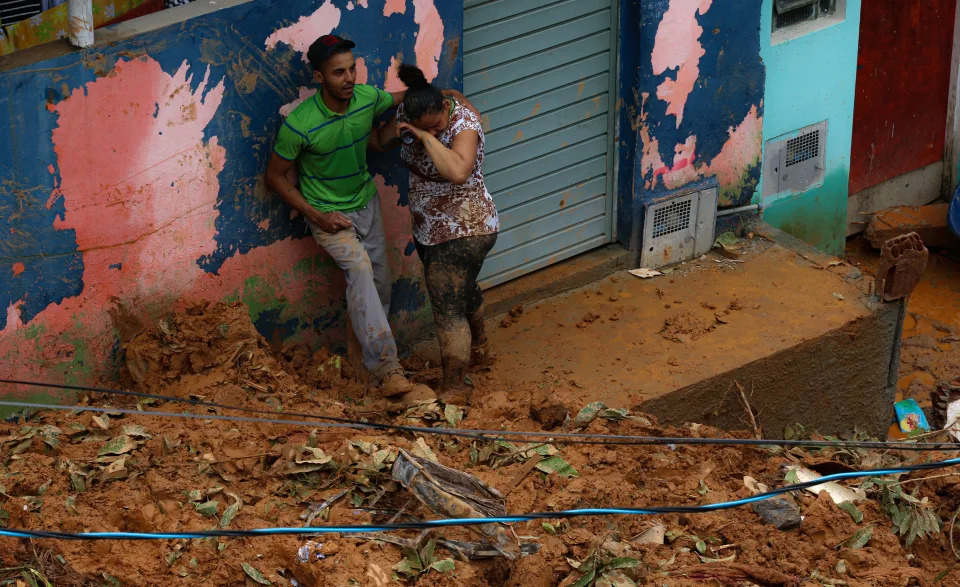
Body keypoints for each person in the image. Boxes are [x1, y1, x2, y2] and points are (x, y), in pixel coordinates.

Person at [265, 36, 468, 404]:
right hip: (328, 213)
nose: (348, 78)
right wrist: (316, 215)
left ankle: (361, 369)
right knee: (358, 269)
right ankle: (388, 368)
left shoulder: (366, 99)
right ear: (319, 76)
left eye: (352, 69)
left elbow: (398, 104)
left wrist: (447, 95)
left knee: (377, 286)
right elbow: (275, 176)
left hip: (365, 202)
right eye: (338, 72)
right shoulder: (300, 124)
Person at [370, 64, 498, 403]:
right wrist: (396, 128)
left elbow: (458, 170)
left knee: (447, 308)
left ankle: (455, 387)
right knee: (462, 288)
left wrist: (426, 137)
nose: (436, 130)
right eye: (427, 128)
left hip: (465, 228)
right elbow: (377, 141)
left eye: (438, 123)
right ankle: (481, 349)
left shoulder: (462, 123)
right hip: (430, 227)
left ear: (444, 108)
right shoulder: (410, 114)